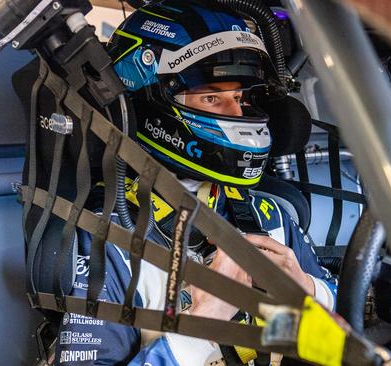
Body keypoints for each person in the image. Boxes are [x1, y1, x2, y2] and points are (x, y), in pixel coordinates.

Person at [54, 1, 337, 365]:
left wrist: (311, 293)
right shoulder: (111, 242)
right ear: (151, 101)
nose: (236, 114)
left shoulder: (269, 216)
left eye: (238, 98)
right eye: (211, 97)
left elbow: (336, 320)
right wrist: (200, 329)